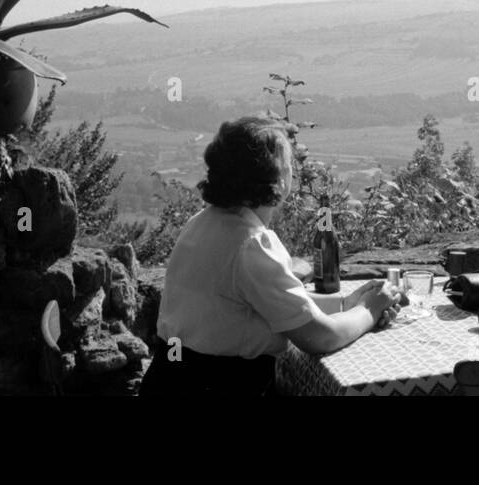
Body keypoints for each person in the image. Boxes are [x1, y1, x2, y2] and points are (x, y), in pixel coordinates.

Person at [139, 116, 402, 396]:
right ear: (275, 179)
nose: (293, 171)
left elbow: (263, 304)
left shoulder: (203, 223)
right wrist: (369, 310)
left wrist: (346, 303)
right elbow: (320, 337)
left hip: (168, 380)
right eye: (289, 165)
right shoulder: (253, 244)